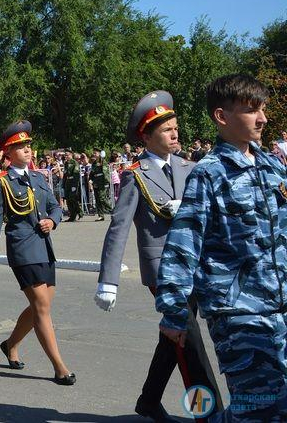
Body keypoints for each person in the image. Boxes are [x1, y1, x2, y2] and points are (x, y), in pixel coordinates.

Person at [157, 74, 287, 421]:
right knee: (256, 407)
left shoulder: (271, 166)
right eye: (251, 111)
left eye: (262, 109)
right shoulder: (209, 174)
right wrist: (173, 311)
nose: (262, 118)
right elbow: (184, 243)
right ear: (221, 116)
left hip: (280, 306)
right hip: (239, 313)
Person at [95, 90, 223, 422]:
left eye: (176, 127)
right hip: (164, 272)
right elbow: (119, 227)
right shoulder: (135, 175)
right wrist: (108, 280)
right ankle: (209, 414)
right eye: (167, 130)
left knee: (173, 340)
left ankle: (149, 400)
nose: (175, 133)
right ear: (147, 137)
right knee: (190, 347)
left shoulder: (191, 167)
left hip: (195, 265)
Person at [0, 121, 74, 385]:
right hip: (22, 249)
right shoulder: (1, 181)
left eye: (28, 145)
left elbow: (56, 207)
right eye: (20, 147)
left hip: (44, 248)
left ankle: (10, 344)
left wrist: (53, 221)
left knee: (39, 307)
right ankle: (59, 366)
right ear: (7, 153)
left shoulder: (38, 177)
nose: (27, 150)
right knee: (42, 307)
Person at [89, 149, 111, 221]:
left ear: (99, 154)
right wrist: (90, 179)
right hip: (96, 182)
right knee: (98, 199)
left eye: (95, 153)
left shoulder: (102, 161)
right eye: (94, 153)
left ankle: (113, 211)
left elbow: (105, 173)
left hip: (102, 182)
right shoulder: (94, 163)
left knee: (102, 198)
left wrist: (106, 182)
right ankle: (101, 215)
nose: (94, 154)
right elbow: (92, 173)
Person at [62, 150, 82, 221]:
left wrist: (74, 185)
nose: (66, 156)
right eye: (65, 155)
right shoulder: (66, 163)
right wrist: (63, 184)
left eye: (67, 155)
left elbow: (76, 175)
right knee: (68, 199)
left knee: (72, 198)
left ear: (71, 155)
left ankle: (79, 212)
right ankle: (72, 216)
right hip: (67, 182)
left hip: (73, 182)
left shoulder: (74, 163)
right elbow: (65, 174)